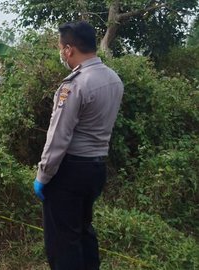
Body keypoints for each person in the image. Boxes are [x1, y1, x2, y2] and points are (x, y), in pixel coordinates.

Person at [33, 21, 124, 269]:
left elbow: (59, 136)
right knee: (83, 231)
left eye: (61, 47)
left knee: (63, 242)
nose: (61, 52)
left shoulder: (74, 85)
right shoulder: (114, 79)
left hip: (69, 172)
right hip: (96, 169)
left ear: (69, 49)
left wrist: (43, 174)